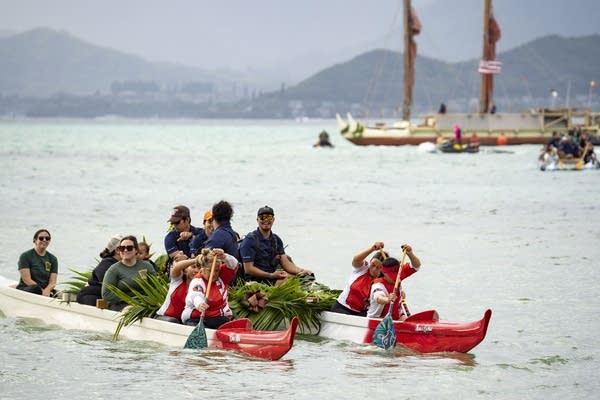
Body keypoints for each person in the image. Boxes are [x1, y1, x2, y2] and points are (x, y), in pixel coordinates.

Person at [239, 205, 313, 284]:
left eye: (269, 217)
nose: (266, 220)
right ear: (257, 220)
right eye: (262, 217)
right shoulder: (250, 240)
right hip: (255, 281)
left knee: (302, 279)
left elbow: (286, 263)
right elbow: (248, 269)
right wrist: (271, 275)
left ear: (273, 219)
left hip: (272, 278)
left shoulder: (276, 240)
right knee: (288, 281)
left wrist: (302, 271)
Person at [181, 248, 239, 328]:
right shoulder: (197, 281)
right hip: (197, 317)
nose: (214, 273)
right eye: (210, 270)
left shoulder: (222, 276)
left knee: (225, 320)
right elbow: (195, 295)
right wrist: (200, 304)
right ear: (203, 270)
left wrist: (224, 256)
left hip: (218, 318)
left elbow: (234, 264)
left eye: (216, 270)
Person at [101, 235, 157, 311]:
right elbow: (106, 294)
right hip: (121, 305)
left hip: (145, 304)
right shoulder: (114, 269)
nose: (125, 250)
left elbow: (154, 288)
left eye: (129, 248)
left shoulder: (147, 266)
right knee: (130, 309)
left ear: (136, 250)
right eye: (122, 248)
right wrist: (129, 300)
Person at [330, 241, 386, 316]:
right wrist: (372, 248)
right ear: (370, 262)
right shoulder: (363, 267)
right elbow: (356, 259)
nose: (374, 269)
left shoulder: (383, 280)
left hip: (361, 313)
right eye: (373, 265)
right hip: (342, 307)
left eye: (379, 267)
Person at [367, 245, 421, 320]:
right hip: (378, 319)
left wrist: (410, 253)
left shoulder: (399, 272)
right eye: (393, 276)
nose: (398, 278)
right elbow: (378, 298)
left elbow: (416, 266)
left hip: (396, 316)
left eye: (398, 275)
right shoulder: (378, 284)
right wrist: (388, 299)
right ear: (384, 274)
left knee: (406, 320)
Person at [76, 234, 123, 306]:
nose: (126, 250)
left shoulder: (119, 264)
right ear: (117, 250)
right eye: (124, 248)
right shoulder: (106, 263)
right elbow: (107, 283)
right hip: (90, 295)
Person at [154, 253, 202, 323]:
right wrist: (196, 260)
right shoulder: (177, 280)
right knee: (173, 321)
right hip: (163, 317)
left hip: (181, 322)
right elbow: (176, 267)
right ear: (185, 270)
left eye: (200, 268)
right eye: (193, 267)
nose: (196, 271)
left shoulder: (201, 288)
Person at [17, 229, 58, 296]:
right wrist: (42, 291)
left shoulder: (53, 259)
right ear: (35, 240)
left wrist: (47, 290)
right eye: (41, 238)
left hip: (45, 290)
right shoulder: (25, 256)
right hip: (28, 288)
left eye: (47, 238)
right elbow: (26, 279)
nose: (44, 240)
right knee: (36, 288)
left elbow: (53, 282)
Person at [164, 205, 203, 270]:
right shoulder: (169, 238)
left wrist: (192, 238)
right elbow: (179, 259)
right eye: (172, 223)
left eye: (177, 222)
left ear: (187, 219)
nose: (174, 225)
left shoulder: (200, 232)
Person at [203, 200, 240, 267]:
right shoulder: (231, 233)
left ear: (214, 217)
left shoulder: (217, 237)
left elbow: (204, 263)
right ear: (230, 217)